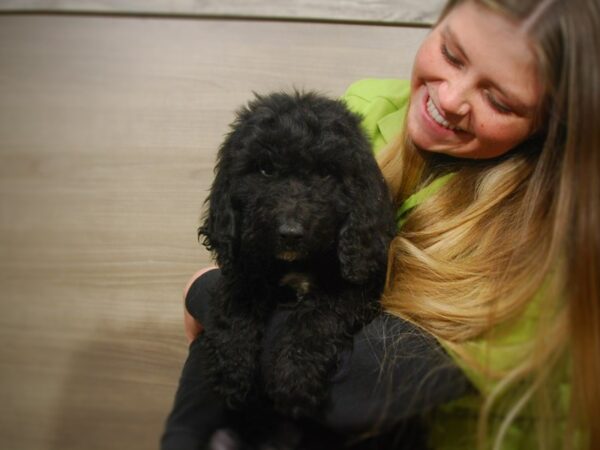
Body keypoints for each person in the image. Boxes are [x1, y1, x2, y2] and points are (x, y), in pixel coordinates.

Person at [162, 0, 600, 448]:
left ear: (551, 122)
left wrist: (206, 289)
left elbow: (356, 389)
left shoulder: (551, 239)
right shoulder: (368, 114)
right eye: (451, 54)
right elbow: (255, 285)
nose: (448, 99)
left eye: (498, 99)